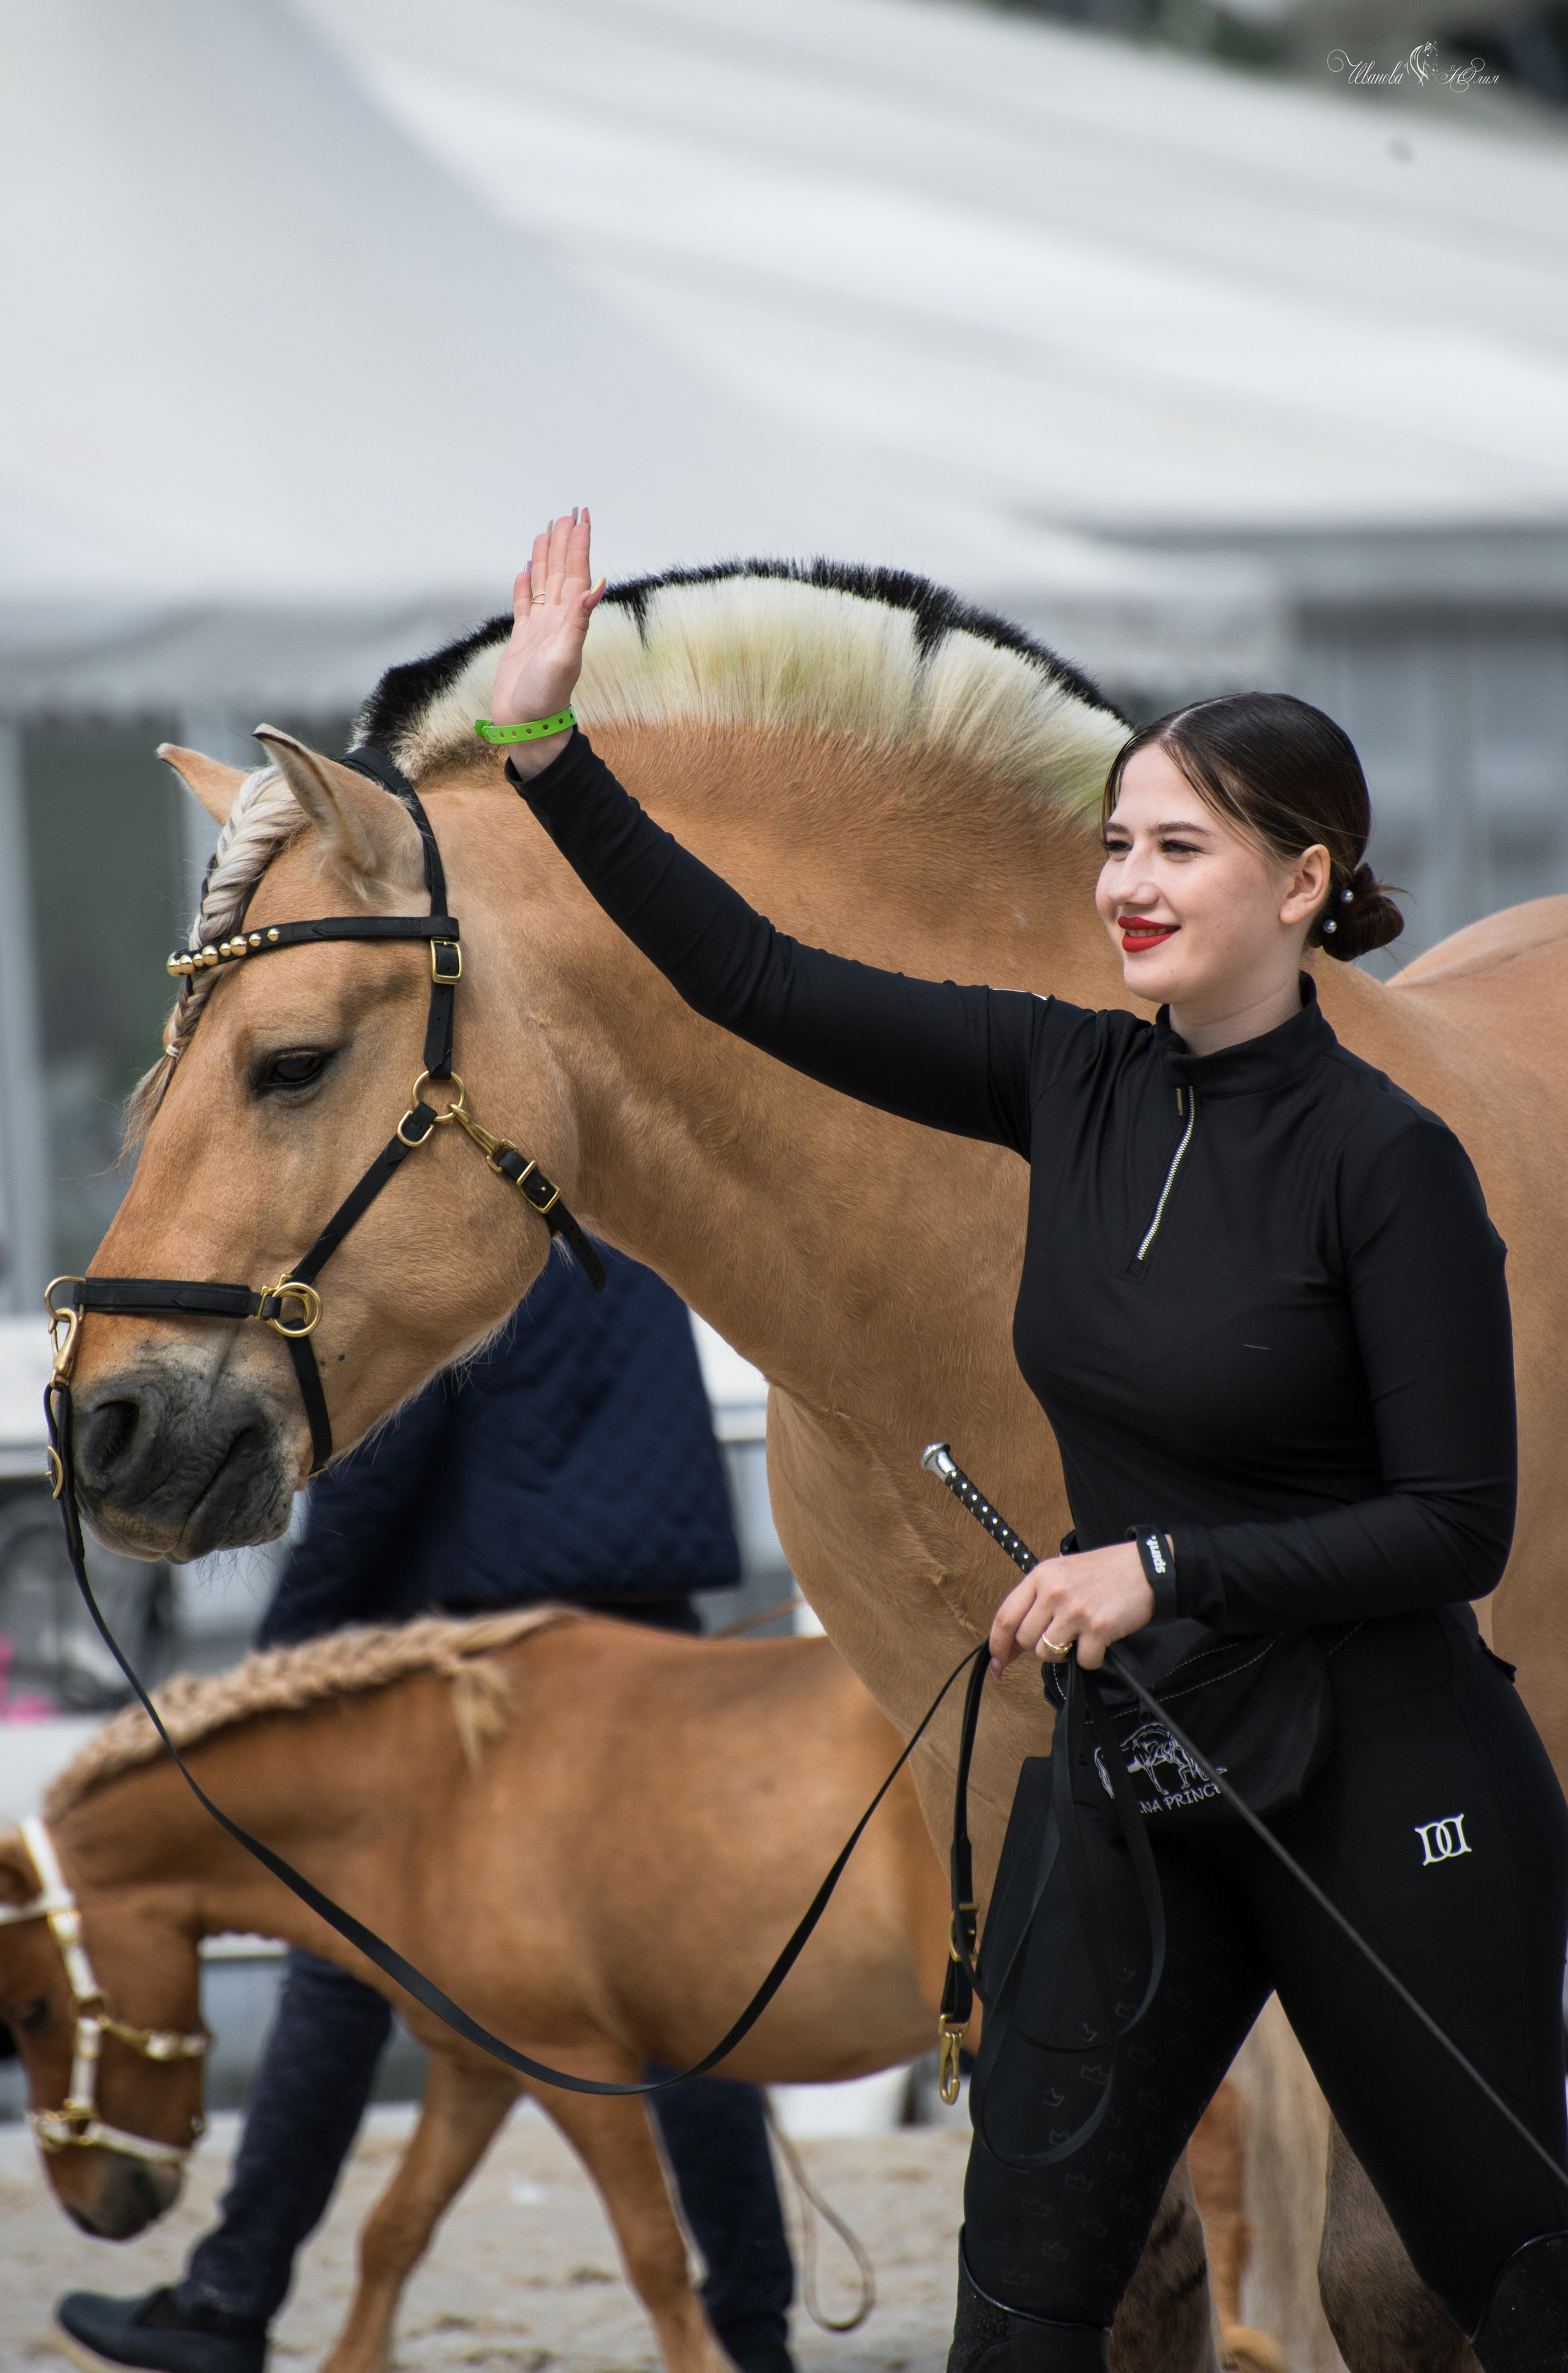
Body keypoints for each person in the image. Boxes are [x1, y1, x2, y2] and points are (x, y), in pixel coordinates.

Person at [468, 510, 1568, 2373]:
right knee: (1034, 2298)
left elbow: (1457, 1528)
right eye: (1117, 843)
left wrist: (1158, 1567)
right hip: (1141, 1792)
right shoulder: (1062, 1078)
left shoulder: (1391, 1160)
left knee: (1482, 2288)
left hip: (1388, 1786)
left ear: (1305, 883)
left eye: (1181, 849)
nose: (1129, 882)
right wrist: (543, 753)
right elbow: (746, 976)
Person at [56, 1245, 796, 2373]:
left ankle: (230, 2297)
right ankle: (755, 2322)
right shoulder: (602, 1162)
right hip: (644, 1613)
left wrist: (273, 1673)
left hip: (491, 1655)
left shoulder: (447, 1203)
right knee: (682, 1979)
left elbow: (378, 1453)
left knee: (341, 1950)